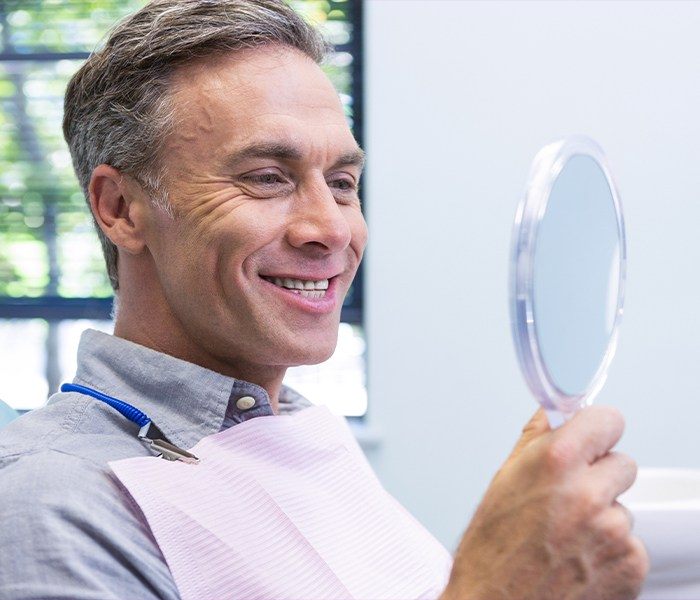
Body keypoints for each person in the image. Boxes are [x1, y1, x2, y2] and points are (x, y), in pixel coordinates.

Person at [0, 0, 648, 598]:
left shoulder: (300, 435)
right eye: (266, 178)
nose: (331, 228)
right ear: (121, 209)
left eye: (341, 183)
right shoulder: (48, 502)